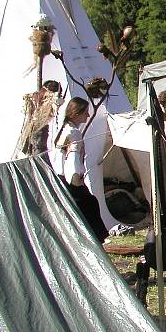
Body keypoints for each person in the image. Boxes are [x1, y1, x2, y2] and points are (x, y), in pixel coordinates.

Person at [53, 97, 108, 242]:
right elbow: (72, 157)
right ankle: (94, 240)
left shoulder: (63, 129)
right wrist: (76, 177)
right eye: (85, 113)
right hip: (72, 178)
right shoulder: (74, 133)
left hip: (61, 176)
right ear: (76, 113)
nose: (88, 116)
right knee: (89, 205)